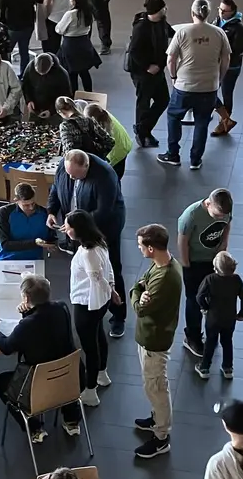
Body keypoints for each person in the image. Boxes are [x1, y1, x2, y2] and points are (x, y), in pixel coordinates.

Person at [0, 275, 83, 441]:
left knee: (0, 382)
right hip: (72, 380)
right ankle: (71, 420)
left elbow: (6, 347)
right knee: (60, 364)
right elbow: (43, 328)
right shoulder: (62, 308)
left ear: (26, 297)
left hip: (39, 388)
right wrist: (28, 313)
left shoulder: (27, 325)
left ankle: (34, 427)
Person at [47, 149, 126, 336]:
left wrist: (75, 227)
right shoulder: (66, 166)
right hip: (77, 229)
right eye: (69, 174)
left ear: (86, 166)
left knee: (112, 267)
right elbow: (56, 188)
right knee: (85, 268)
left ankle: (118, 315)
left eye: (76, 175)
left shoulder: (105, 175)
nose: (72, 178)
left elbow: (103, 211)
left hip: (103, 230)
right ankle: (91, 302)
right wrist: (52, 210)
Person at [158, 0, 230, 170]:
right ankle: (195, 159)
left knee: (174, 116)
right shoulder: (219, 33)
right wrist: (219, 78)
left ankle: (173, 154)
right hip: (209, 87)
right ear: (208, 14)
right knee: (202, 122)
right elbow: (226, 58)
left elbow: (171, 59)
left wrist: (174, 77)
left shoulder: (183, 33)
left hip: (184, 86)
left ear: (192, 13)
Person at [130, 224, 181, 459]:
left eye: (141, 246)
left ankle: (161, 436)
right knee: (152, 385)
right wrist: (139, 291)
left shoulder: (164, 278)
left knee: (157, 387)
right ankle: (156, 418)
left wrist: (137, 294)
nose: (139, 249)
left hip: (154, 342)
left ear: (151, 248)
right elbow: (141, 284)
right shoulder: (163, 264)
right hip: (149, 337)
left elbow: (140, 309)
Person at [62, 210, 118, 406]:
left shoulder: (88, 253)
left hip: (87, 303)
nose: (65, 230)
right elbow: (108, 269)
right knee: (99, 335)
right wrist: (111, 290)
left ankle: (90, 390)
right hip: (100, 302)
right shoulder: (99, 242)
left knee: (89, 347)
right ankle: (102, 373)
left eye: (68, 227)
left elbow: (96, 277)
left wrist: (110, 290)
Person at [177, 189, 233, 357]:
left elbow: (227, 226)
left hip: (214, 261)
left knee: (213, 297)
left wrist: (223, 250)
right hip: (194, 263)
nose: (220, 218)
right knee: (194, 300)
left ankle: (209, 333)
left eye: (223, 215)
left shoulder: (225, 210)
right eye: (217, 215)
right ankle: (192, 337)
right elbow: (182, 241)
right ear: (208, 204)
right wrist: (187, 266)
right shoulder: (191, 215)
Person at [126, 0, 173, 147]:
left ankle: (143, 128)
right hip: (143, 73)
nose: (166, 10)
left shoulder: (162, 22)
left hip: (158, 69)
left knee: (163, 99)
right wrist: (148, 66)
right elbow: (134, 51)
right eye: (164, 8)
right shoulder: (141, 28)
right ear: (158, 10)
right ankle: (142, 133)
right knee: (143, 103)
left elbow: (172, 32)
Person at [194, 251, 243, 380]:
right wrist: (242, 313)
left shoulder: (210, 279)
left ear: (215, 268)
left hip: (213, 318)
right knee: (227, 341)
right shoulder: (236, 279)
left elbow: (199, 296)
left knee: (210, 342)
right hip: (229, 318)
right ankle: (228, 367)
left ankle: (205, 367)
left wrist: (205, 307)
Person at [0, 0, 42, 75]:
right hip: (28, 25)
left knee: (6, 51)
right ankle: (24, 75)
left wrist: (3, 24)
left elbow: (0, 11)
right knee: (24, 50)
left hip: (12, 27)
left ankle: (9, 75)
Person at [211, 0, 243, 137]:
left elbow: (236, 50)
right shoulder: (217, 21)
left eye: (224, 11)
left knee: (227, 93)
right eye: (219, 9)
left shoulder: (239, 29)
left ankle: (223, 122)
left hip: (230, 67)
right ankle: (226, 118)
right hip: (216, 64)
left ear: (232, 11)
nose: (221, 13)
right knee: (210, 91)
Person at [54, 0, 101, 92]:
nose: (69, 0)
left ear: (75, 0)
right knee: (84, 73)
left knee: (72, 74)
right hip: (84, 44)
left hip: (71, 47)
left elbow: (59, 30)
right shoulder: (88, 12)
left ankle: (74, 98)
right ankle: (89, 95)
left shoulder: (70, 15)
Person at [0, 183, 54, 262]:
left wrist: (50, 243)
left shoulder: (44, 213)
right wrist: (34, 243)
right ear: (16, 200)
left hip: (34, 260)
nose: (31, 208)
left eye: (33, 203)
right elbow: (5, 245)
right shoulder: (4, 212)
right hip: (7, 258)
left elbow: (50, 237)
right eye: (26, 205)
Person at [21, 53, 73, 122]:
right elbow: (25, 86)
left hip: (54, 111)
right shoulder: (30, 67)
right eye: (38, 72)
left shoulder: (62, 74)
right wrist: (29, 101)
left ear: (52, 65)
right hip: (35, 109)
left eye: (44, 73)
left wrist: (51, 111)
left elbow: (65, 96)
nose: (41, 75)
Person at [88, 103, 133, 180]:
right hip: (125, 144)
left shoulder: (100, 128)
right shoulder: (103, 114)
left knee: (113, 177)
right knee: (118, 174)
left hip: (117, 152)